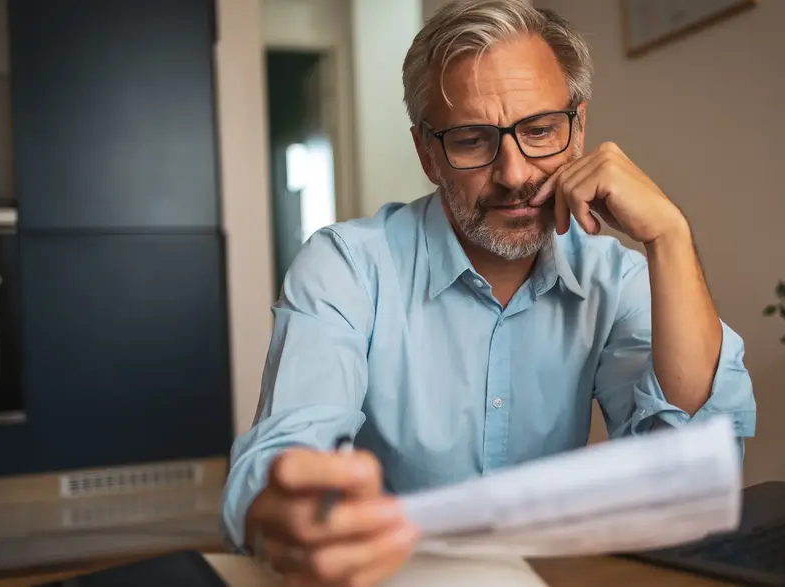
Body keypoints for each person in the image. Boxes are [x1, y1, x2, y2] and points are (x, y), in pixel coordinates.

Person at [222, 0, 757, 585]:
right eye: (473, 140)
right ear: (428, 153)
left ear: (577, 130)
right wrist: (290, 515)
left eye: (539, 130)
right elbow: (283, 453)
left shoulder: (613, 276)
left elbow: (702, 460)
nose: (515, 173)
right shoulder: (345, 267)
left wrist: (669, 237)